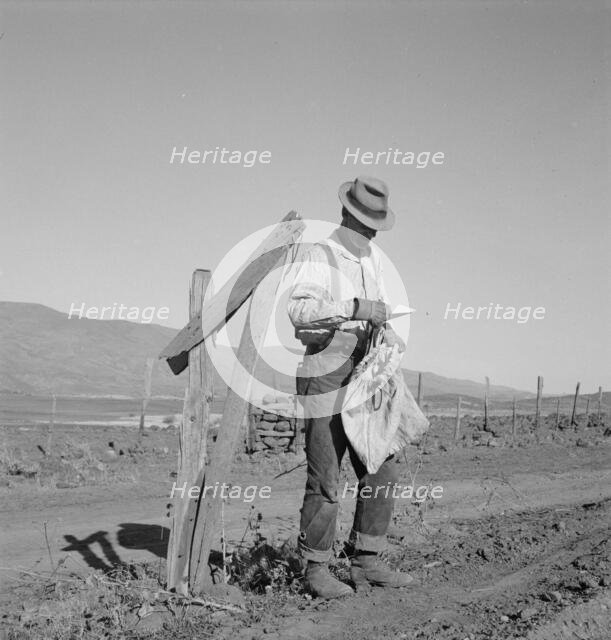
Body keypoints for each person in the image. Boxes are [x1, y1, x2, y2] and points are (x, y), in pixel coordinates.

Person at [287, 176, 413, 599]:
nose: (371, 233)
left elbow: (377, 314)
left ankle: (366, 561)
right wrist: (355, 308)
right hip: (324, 368)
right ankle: (316, 568)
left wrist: (385, 334)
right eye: (365, 224)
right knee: (326, 473)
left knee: (382, 463)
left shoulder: (372, 260)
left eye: (376, 225)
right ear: (346, 215)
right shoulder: (318, 255)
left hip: (365, 370)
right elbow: (299, 312)